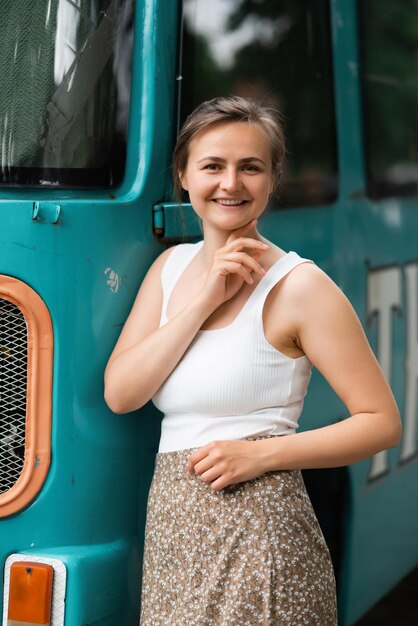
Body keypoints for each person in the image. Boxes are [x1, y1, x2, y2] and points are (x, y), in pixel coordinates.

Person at [104, 96, 402, 625]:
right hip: (176, 536)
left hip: (261, 536)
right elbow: (121, 394)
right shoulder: (169, 269)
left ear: (272, 178)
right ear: (184, 175)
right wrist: (204, 300)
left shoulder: (300, 286)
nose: (230, 184)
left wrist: (261, 456)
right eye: (213, 166)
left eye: (251, 167)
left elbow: (380, 423)